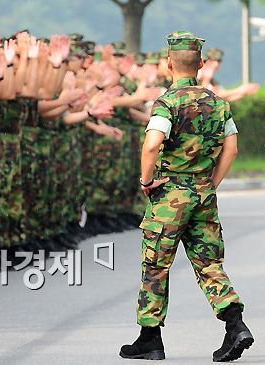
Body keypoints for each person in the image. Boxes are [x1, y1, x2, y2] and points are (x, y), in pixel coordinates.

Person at [119, 31, 253, 362]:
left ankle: (150, 338)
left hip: (169, 195)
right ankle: (235, 325)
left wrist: (146, 180)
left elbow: (152, 144)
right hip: (203, 192)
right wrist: (210, 183)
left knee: (156, 265)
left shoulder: (167, 103)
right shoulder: (219, 104)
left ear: (167, 65)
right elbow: (232, 149)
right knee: (209, 263)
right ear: (201, 64)